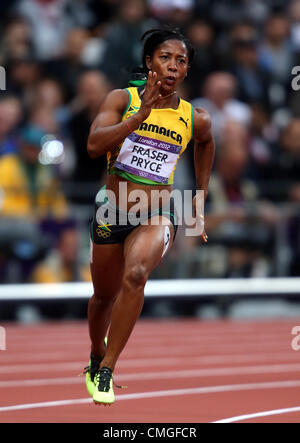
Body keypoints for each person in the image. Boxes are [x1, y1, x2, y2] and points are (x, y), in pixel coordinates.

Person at [83, 27, 215, 405]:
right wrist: (138, 117)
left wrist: (199, 201)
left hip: (156, 212)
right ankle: (95, 353)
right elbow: (94, 146)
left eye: (181, 61)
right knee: (102, 299)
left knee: (137, 273)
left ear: (187, 70)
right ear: (149, 63)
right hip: (113, 209)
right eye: (165, 58)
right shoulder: (120, 99)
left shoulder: (195, 117)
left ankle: (108, 368)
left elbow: (206, 144)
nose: (173, 66)